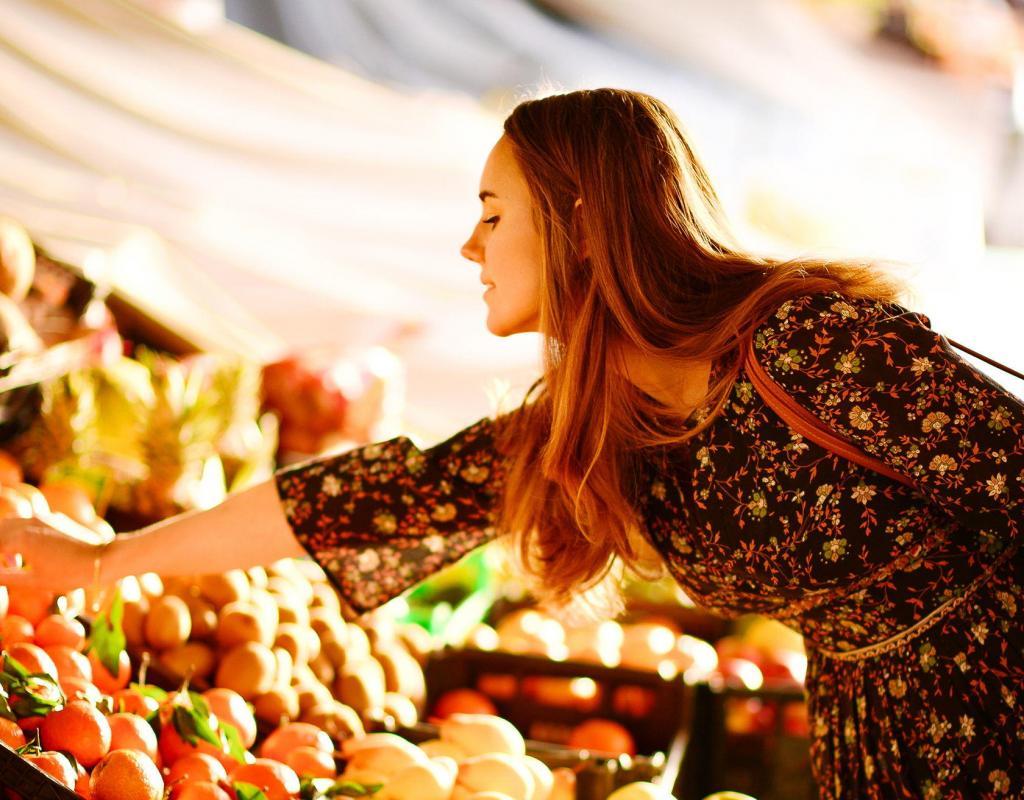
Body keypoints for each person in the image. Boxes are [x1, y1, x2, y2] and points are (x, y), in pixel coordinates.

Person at [1, 88, 1021, 799]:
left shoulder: (804, 344)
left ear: (576, 222)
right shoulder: (605, 419)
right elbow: (369, 495)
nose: (467, 247)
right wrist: (101, 562)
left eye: (492, 215)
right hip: (873, 738)